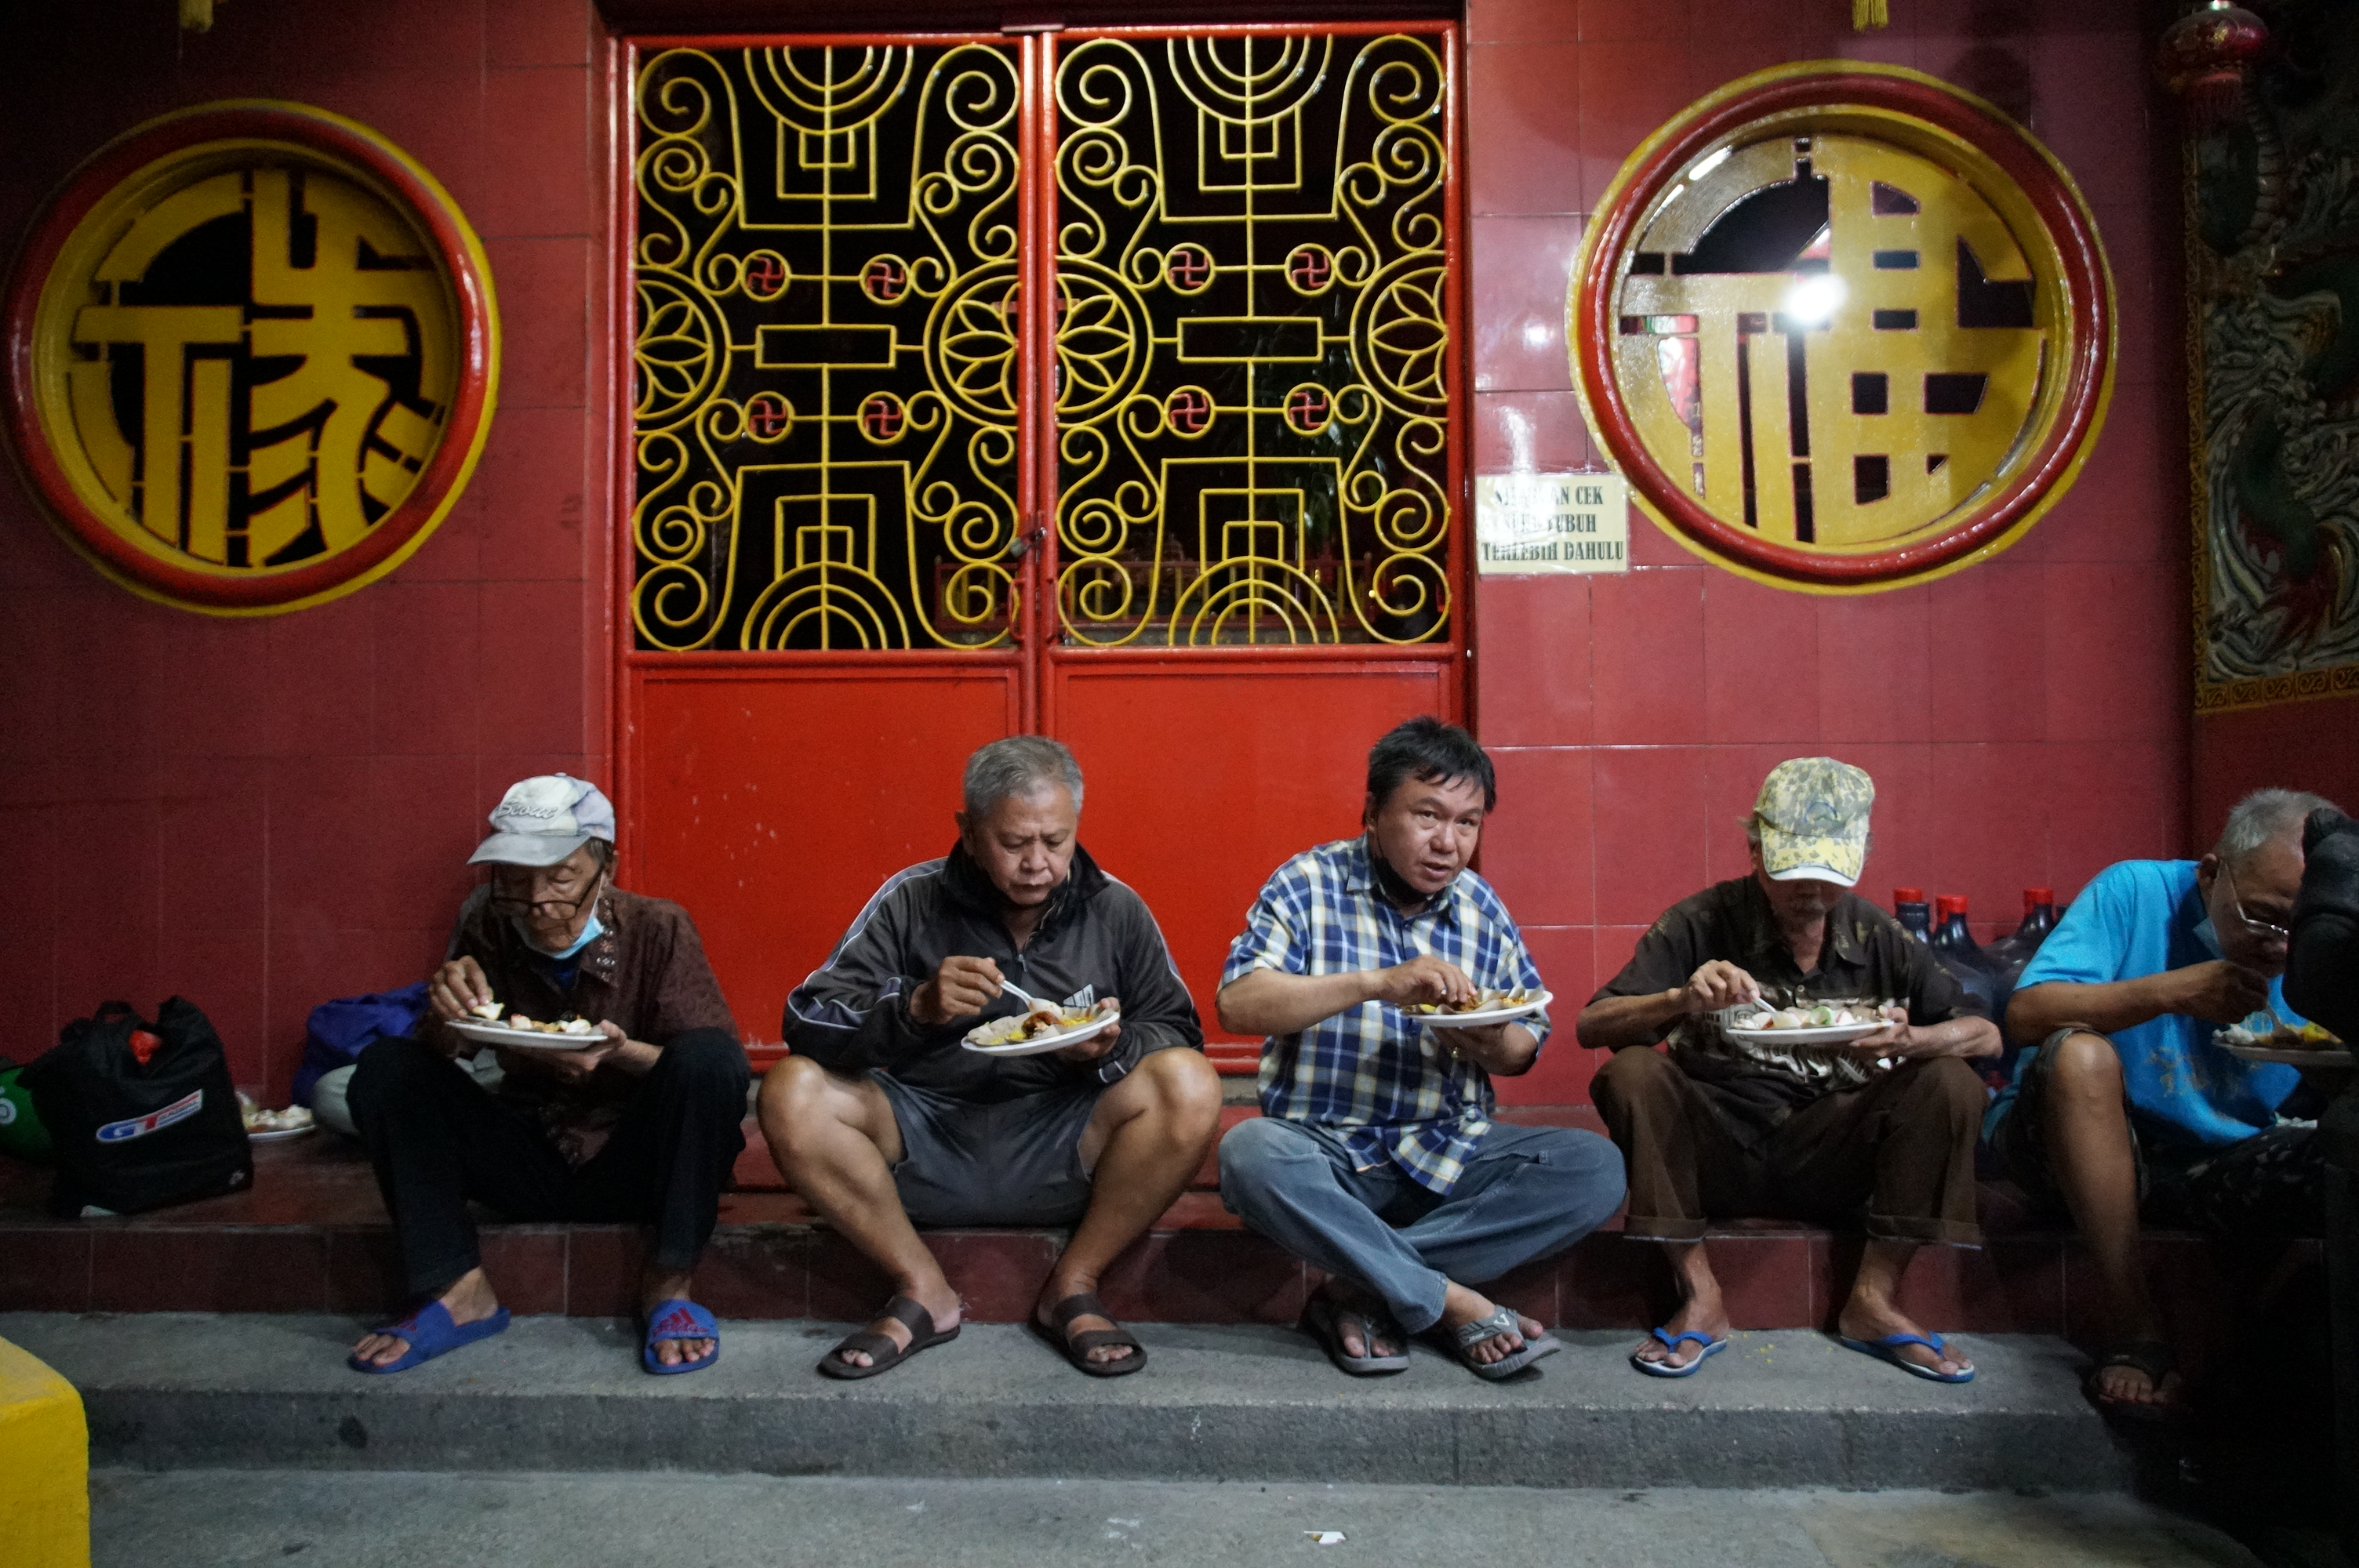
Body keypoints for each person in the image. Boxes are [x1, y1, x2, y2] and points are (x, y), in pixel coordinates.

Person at [762, 736, 1221, 1379]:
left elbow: (1178, 1028)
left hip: (1066, 1142)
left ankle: (1075, 1284)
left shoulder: (1113, 908)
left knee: (1189, 1083)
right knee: (791, 1091)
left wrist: (1109, 1049)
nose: (1038, 863)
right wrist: (915, 1006)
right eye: (1013, 843)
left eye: (1055, 842)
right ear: (970, 832)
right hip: (925, 1134)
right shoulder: (911, 899)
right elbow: (808, 1017)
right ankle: (924, 1288)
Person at [1216, 717, 1625, 1381]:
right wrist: (1376, 984)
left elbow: (1525, 1045)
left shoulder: (1479, 908)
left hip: (1450, 1151)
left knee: (1595, 1169)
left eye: (1467, 823)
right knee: (1250, 1154)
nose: (1447, 843)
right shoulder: (1307, 882)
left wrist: (1491, 1043)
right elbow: (1238, 1003)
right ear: (1373, 813)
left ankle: (1363, 1288)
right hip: (1330, 1150)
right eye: (1427, 815)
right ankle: (1451, 1300)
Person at [1579, 757, 1997, 1383]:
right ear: (1754, 850)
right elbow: (1593, 1026)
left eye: (1828, 873)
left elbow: (1986, 1034)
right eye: (1794, 869)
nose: (1812, 889)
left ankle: (1874, 1300)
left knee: (1952, 1078)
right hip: (1718, 1147)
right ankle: (1701, 1294)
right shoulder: (1701, 921)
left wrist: (1919, 1038)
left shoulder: (1876, 935)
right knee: (1633, 1072)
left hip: (1836, 1150)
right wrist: (1680, 1000)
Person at [347, 775, 749, 1376]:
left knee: (712, 1059)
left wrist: (617, 1054)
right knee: (386, 1069)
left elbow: (708, 1076)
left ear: (605, 867)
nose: (537, 904)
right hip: (530, 1152)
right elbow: (445, 1052)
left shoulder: (657, 929)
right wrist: (445, 1016)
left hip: (635, 1161)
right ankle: (460, 1292)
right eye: (515, 881)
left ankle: (669, 1284)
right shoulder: (488, 921)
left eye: (560, 878)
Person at [1990, 787, 2340, 1420]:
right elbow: (2026, 1014)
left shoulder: (2327, 935)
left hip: (2220, 1158)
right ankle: (2135, 1327)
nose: (2281, 946)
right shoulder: (2136, 892)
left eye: (2299, 927)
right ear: (2212, 874)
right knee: (2078, 1055)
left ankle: (2279, 1359)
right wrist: (2171, 992)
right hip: (2073, 1143)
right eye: (2263, 919)